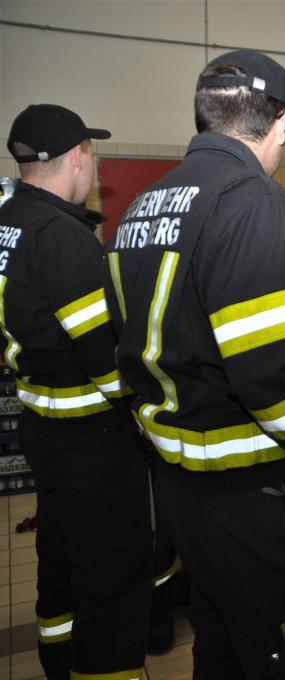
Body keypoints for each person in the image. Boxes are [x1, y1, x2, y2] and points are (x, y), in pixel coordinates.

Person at [102, 50, 285, 677]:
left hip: (178, 485)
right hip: (250, 494)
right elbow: (274, 376)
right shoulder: (253, 200)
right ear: (281, 123)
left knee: (221, 646)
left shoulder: (143, 206)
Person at [0, 104, 152, 678]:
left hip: (42, 423)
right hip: (94, 436)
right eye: (92, 151)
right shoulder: (63, 238)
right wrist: (151, 402)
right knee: (112, 577)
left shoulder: (8, 222)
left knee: (60, 561)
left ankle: (59, 663)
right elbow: (105, 362)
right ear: (76, 156)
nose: (95, 162)